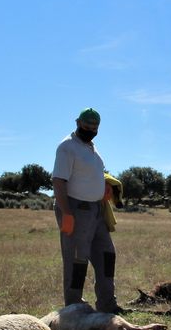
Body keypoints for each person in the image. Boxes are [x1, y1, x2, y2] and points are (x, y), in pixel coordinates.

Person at [52, 108, 125, 314]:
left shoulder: (92, 148)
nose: (91, 130)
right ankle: (74, 307)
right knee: (77, 260)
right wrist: (66, 212)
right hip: (76, 209)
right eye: (87, 127)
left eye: (94, 128)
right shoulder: (67, 147)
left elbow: (88, 175)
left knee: (107, 255)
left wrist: (104, 185)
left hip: (96, 210)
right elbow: (58, 181)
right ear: (77, 122)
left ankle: (107, 304)